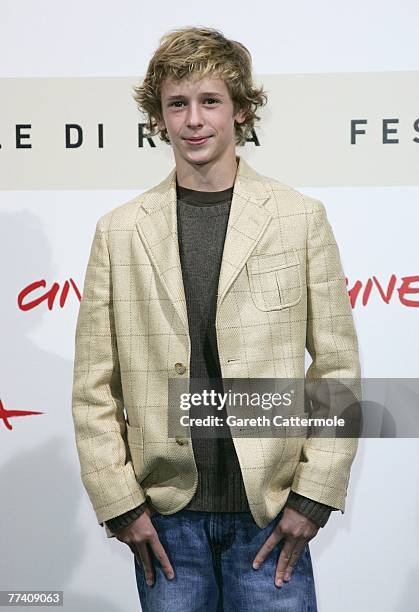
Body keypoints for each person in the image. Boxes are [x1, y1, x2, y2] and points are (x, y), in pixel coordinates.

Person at [71, 26, 361, 611]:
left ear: (241, 111)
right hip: (166, 521)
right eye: (177, 103)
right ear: (159, 116)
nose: (193, 120)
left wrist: (315, 495)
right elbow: (93, 386)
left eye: (210, 101)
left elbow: (337, 366)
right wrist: (121, 503)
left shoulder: (298, 218)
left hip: (272, 513)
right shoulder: (119, 231)